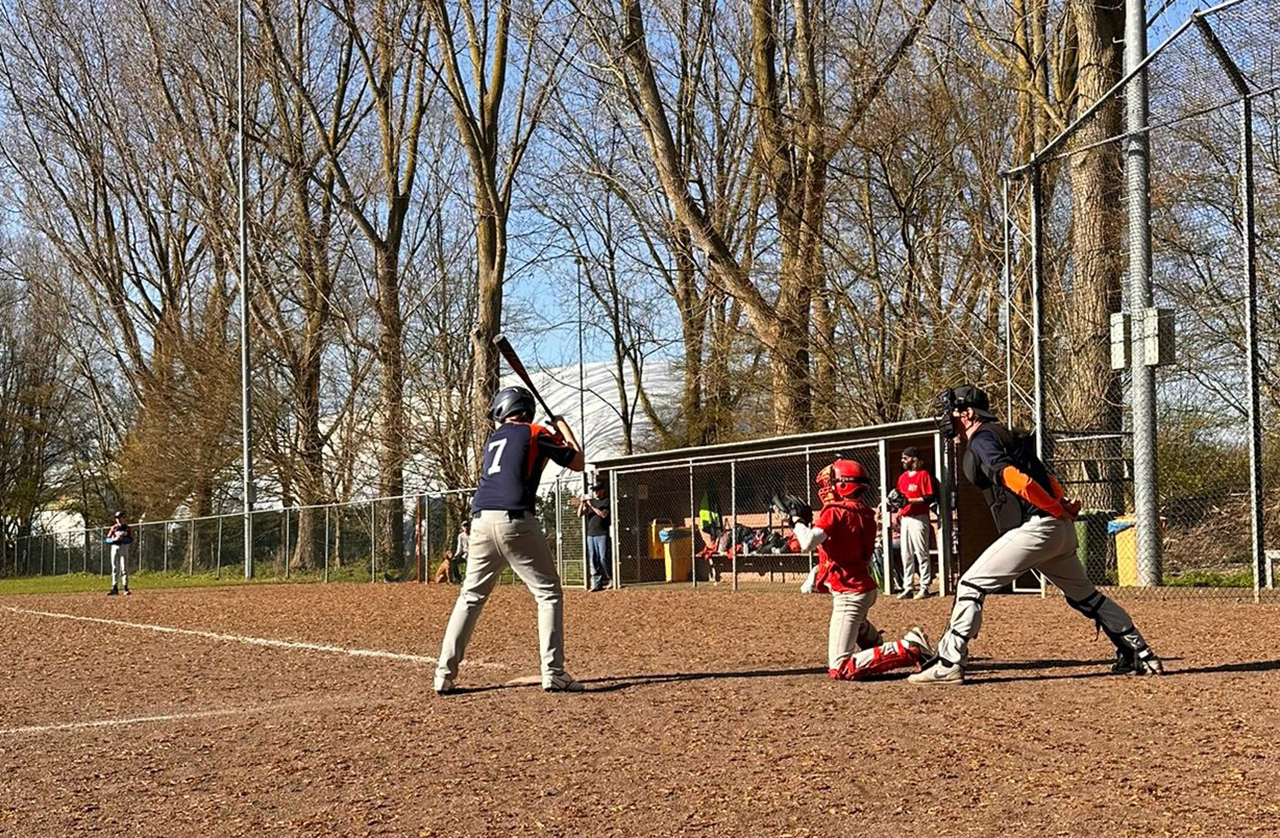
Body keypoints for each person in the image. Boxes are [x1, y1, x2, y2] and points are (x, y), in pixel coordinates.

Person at [909, 384, 1163, 686]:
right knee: (1087, 597)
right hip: (1056, 530)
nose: (947, 417)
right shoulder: (1003, 433)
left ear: (967, 414)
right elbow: (1046, 476)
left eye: (952, 410)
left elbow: (1015, 479)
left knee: (970, 584)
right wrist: (1061, 505)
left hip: (1037, 528)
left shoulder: (982, 439)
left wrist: (1053, 507)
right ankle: (1139, 653)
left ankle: (949, 662)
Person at [434, 386, 586, 695]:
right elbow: (578, 462)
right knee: (548, 594)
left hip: (480, 523)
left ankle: (443, 675)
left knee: (470, 597)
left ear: (505, 410)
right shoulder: (536, 431)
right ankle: (554, 673)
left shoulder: (494, 440)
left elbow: (532, 460)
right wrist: (562, 426)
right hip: (516, 521)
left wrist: (553, 434)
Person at [786, 459, 933, 680]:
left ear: (844, 485)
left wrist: (797, 521)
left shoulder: (835, 511)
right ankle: (874, 643)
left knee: (840, 668)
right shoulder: (866, 513)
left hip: (850, 591)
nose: (827, 489)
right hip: (863, 586)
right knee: (857, 623)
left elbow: (807, 542)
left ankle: (909, 647)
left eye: (831, 483)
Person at [895, 446, 936, 599]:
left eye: (905, 458)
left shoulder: (923, 475)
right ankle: (908, 587)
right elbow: (899, 497)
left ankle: (924, 586)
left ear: (914, 459)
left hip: (919, 518)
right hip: (905, 518)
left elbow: (929, 497)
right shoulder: (903, 477)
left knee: (921, 553)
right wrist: (898, 509)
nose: (903, 460)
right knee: (906, 554)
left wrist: (911, 500)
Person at [577, 478, 611, 591]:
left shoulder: (606, 501)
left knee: (603, 557)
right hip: (591, 535)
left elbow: (603, 515)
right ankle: (596, 583)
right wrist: (582, 504)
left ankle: (611, 578)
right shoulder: (591, 502)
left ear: (603, 490)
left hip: (602, 534)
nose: (596, 492)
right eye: (594, 490)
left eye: (598, 490)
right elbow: (579, 514)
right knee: (593, 558)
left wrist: (591, 506)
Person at [433, 520, 470, 585]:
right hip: (464, 554)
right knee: (453, 562)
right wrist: (456, 556)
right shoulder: (461, 536)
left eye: (467, 526)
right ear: (462, 527)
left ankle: (469, 579)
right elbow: (459, 548)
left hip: (472, 554)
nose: (466, 527)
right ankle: (458, 579)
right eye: (464, 526)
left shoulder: (473, 535)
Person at [105, 510, 133, 596]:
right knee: (114, 568)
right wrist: (114, 540)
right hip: (114, 547)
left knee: (124, 567)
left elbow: (130, 539)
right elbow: (107, 539)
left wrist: (123, 539)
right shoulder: (114, 528)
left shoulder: (127, 528)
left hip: (123, 547)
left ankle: (125, 587)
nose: (118, 519)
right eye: (117, 518)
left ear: (123, 518)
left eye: (120, 517)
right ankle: (115, 587)